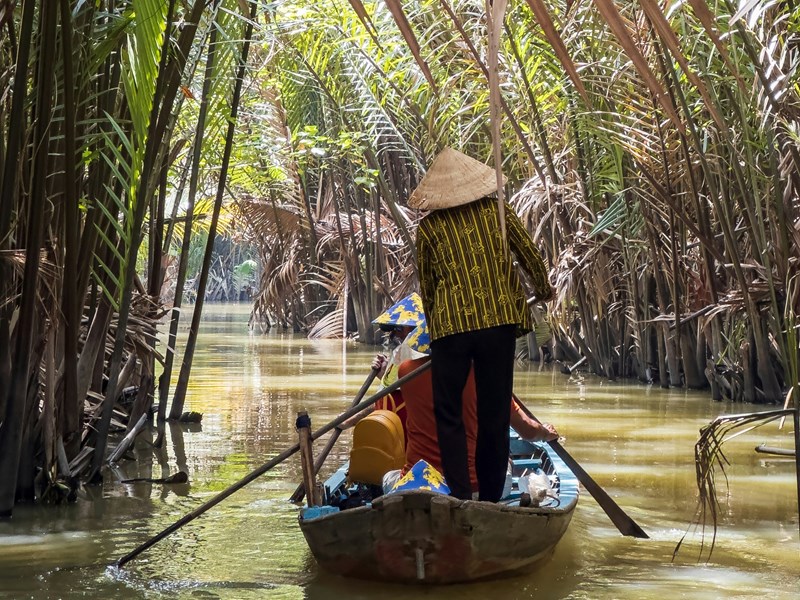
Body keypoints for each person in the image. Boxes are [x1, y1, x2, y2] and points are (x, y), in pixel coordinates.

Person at [410, 147, 553, 502]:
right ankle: (489, 499)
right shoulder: (498, 213)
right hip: (498, 324)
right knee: (494, 411)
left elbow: (427, 287)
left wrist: (438, 324)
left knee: (449, 412)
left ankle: (460, 495)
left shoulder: (429, 229)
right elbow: (530, 255)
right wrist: (544, 288)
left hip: (451, 329)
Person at [382, 353, 559, 497]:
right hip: (473, 489)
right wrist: (544, 432)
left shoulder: (406, 371)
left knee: (387, 478)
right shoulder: (489, 378)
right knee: (505, 459)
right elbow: (527, 430)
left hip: (416, 486)